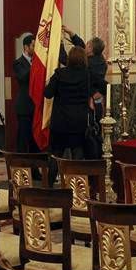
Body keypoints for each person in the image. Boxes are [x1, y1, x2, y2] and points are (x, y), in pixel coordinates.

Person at [44, 46, 92, 183]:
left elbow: (48, 94)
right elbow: (88, 94)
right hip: (78, 122)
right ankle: (77, 187)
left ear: (69, 59)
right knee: (78, 154)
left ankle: (49, 188)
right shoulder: (86, 75)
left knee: (55, 155)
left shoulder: (59, 74)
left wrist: (48, 83)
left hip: (60, 122)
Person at [63, 26, 107, 158]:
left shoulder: (89, 64)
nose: (85, 46)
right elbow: (81, 47)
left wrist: (59, 45)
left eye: (87, 45)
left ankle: (89, 161)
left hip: (89, 103)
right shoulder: (99, 60)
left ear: (91, 50)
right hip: (96, 101)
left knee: (89, 134)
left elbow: (69, 59)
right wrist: (71, 33)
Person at [13, 34, 38, 153]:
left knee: (35, 140)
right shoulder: (18, 63)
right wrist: (34, 66)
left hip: (36, 107)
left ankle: (35, 169)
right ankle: (21, 168)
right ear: (26, 47)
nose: (36, 48)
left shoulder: (37, 63)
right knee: (23, 139)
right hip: (24, 107)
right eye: (33, 46)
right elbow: (23, 78)